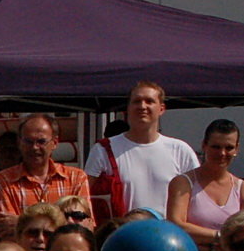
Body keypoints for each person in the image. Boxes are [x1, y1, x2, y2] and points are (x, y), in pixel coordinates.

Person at [85, 83, 200, 220]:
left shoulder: (181, 151)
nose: (142, 106)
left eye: (149, 101)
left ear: (162, 109)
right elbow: (84, 195)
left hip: (167, 236)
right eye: (136, 101)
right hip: (121, 236)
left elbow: (198, 199)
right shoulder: (103, 150)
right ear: (128, 108)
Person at [168, 119, 244, 251]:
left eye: (229, 148)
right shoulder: (183, 183)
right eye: (216, 147)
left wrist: (203, 239)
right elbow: (176, 225)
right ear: (204, 146)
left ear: (236, 149)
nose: (222, 153)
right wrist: (222, 238)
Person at [0, 114, 90, 242]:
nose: (34, 147)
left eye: (41, 142)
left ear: (55, 143)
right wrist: (63, 224)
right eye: (28, 141)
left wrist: (21, 223)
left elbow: (84, 228)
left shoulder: (76, 178)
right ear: (19, 142)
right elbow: (6, 233)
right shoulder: (2, 181)